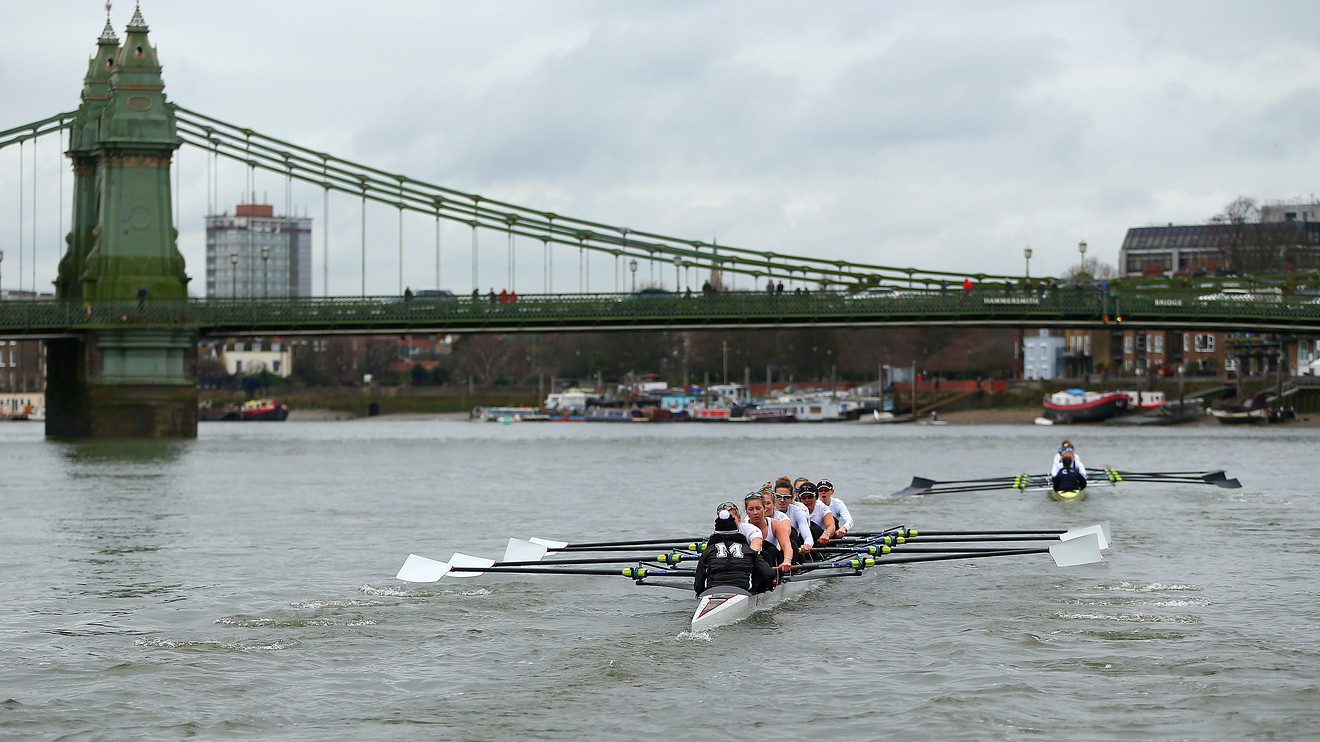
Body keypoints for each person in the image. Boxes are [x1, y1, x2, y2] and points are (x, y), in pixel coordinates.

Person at [693, 509, 775, 595]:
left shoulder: (708, 551)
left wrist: (701, 593)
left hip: (713, 590)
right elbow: (769, 574)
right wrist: (757, 591)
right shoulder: (748, 550)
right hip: (742, 591)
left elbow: (698, 583)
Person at [745, 491, 794, 574]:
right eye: (751, 509)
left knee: (772, 550)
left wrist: (787, 560)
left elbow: (787, 546)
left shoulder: (775, 524)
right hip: (753, 564)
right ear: (746, 511)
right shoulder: (743, 527)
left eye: (758, 508)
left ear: (764, 509)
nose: (755, 512)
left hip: (775, 561)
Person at [791, 481, 836, 548]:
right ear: (800, 499)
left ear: (816, 497)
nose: (807, 500)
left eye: (810, 497)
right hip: (801, 539)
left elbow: (831, 526)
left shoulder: (822, 507)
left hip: (820, 539)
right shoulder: (795, 508)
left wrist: (826, 534)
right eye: (804, 497)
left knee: (813, 529)